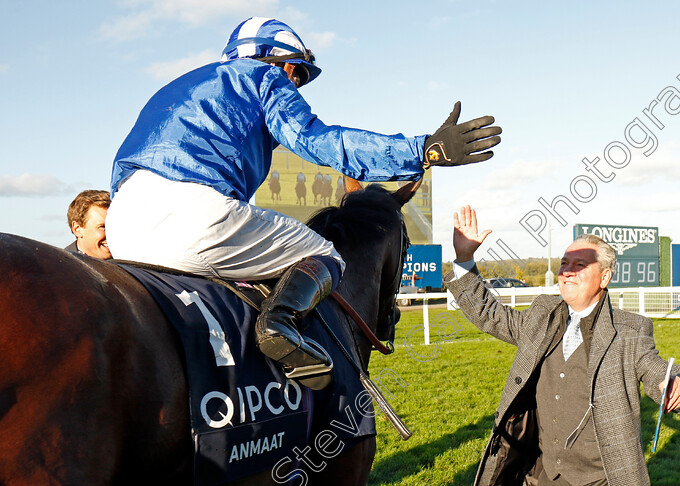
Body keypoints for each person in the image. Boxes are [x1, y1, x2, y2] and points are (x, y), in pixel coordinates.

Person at [106, 17, 501, 387]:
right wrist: (422, 149)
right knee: (326, 254)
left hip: (122, 224)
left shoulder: (176, 87)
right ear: (284, 65)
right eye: (298, 75)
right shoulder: (263, 77)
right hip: (194, 216)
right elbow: (319, 141)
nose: (296, 86)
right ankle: (279, 325)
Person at [446, 206, 680, 486]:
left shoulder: (630, 331)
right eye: (565, 264)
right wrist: (465, 258)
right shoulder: (542, 315)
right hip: (540, 474)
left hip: (601, 479)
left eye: (580, 266)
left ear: (604, 277)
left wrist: (676, 385)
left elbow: (657, 371)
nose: (567, 272)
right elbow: (490, 315)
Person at [65, 190, 112, 260]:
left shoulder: (130, 266)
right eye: (103, 227)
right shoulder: (57, 268)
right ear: (77, 229)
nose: (112, 234)